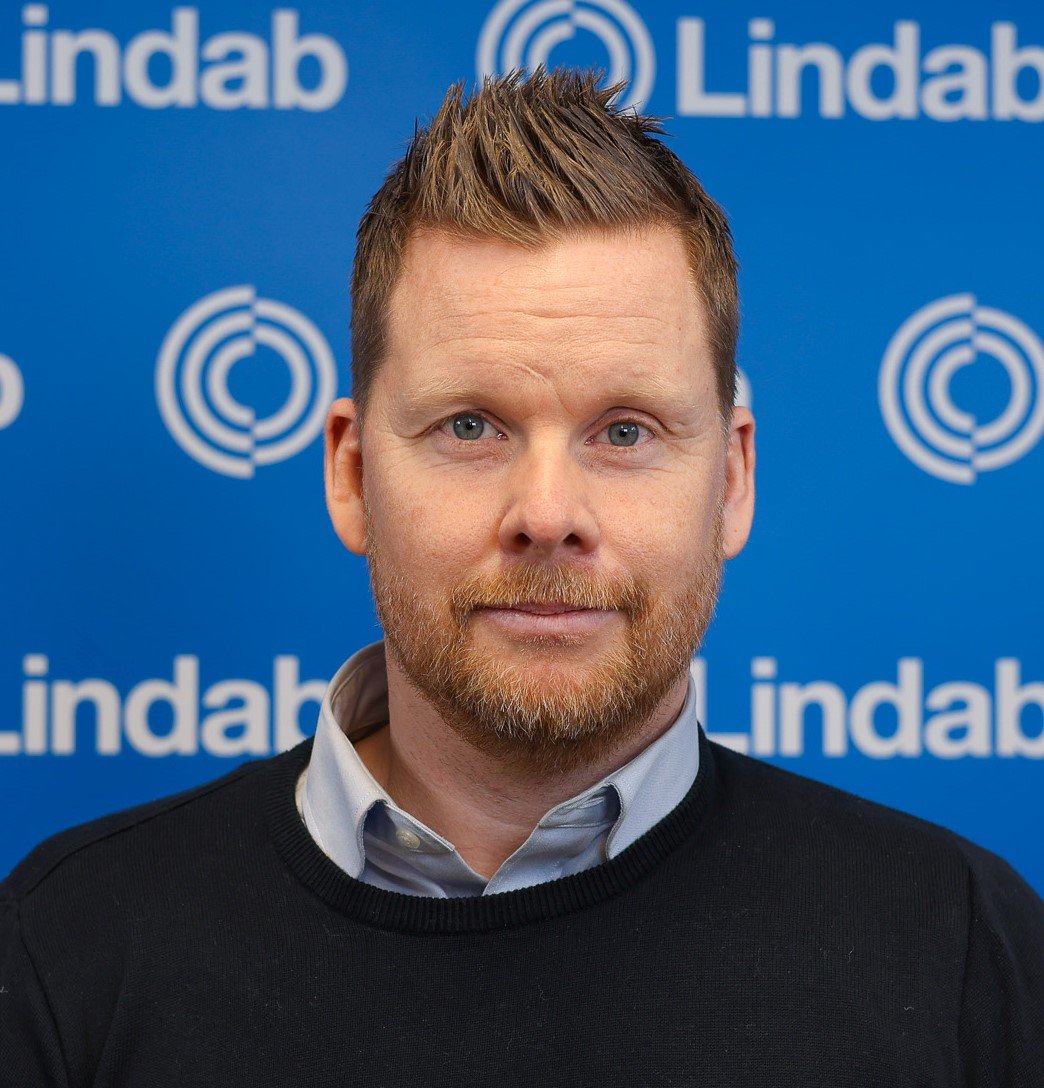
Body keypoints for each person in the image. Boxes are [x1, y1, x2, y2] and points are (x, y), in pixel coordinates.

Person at [2, 69, 1042, 1086]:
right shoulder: (65, 949)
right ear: (352, 475)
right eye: (470, 426)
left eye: (625, 431)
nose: (547, 513)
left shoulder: (965, 952)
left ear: (731, 481)